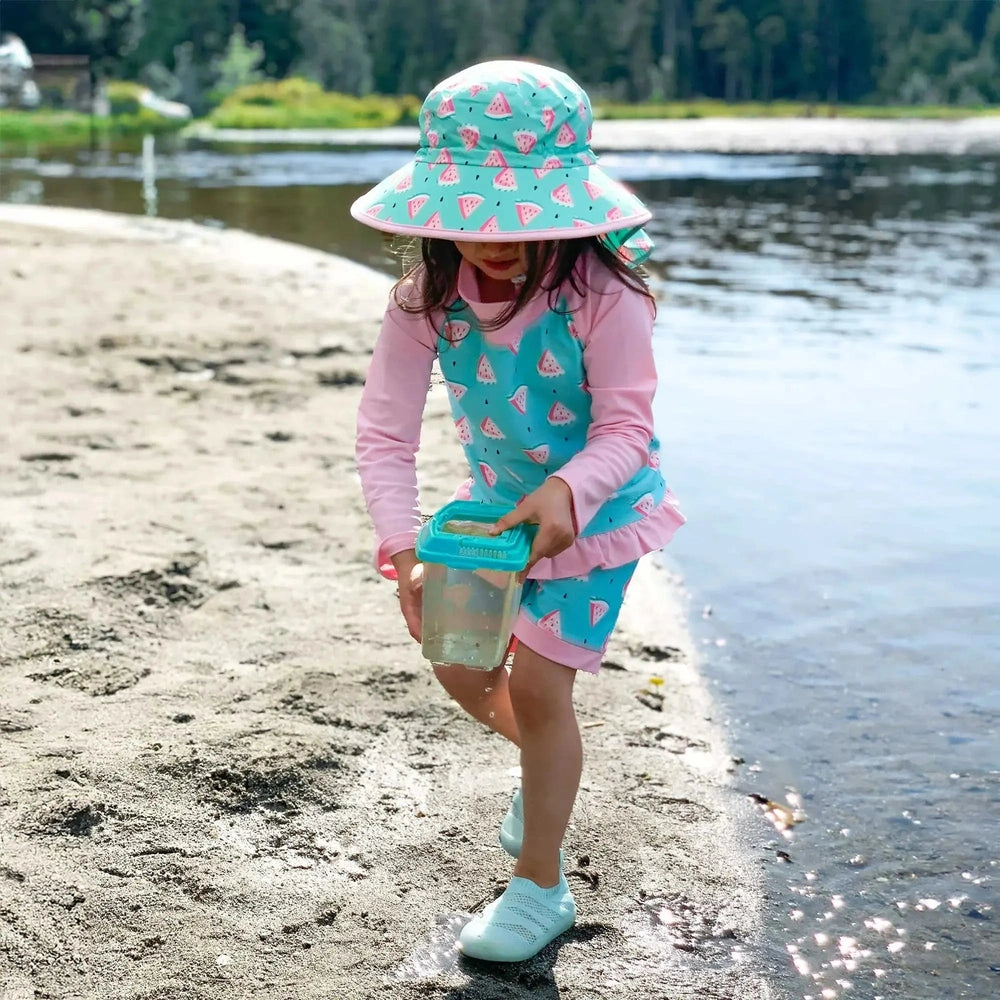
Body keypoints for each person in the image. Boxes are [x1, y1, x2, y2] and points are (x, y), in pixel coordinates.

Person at [351, 59, 684, 963]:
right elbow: (383, 435)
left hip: (599, 508)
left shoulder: (603, 294)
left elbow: (626, 426)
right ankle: (547, 767)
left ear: (567, 208)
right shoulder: (426, 303)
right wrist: (399, 547)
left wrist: (570, 492)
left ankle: (542, 885)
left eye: (515, 219)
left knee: (541, 687)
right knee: (459, 665)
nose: (493, 240)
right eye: (471, 220)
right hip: (495, 513)